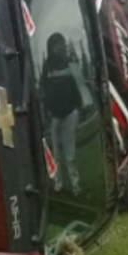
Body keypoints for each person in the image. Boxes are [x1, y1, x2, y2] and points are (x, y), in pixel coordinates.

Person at [41, 32, 83, 195]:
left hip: (70, 112)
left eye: (63, 44)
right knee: (56, 155)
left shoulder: (69, 63)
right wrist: (46, 110)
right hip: (54, 116)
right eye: (58, 44)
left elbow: (77, 85)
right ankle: (58, 185)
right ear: (52, 47)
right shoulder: (47, 66)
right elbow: (43, 89)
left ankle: (76, 187)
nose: (61, 47)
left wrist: (78, 107)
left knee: (70, 154)